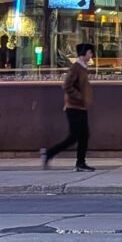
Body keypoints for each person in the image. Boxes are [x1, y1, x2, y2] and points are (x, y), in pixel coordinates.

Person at [40, 43, 95, 172]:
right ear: (84, 53)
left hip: (81, 107)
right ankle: (49, 153)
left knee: (83, 136)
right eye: (90, 52)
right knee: (75, 137)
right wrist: (80, 97)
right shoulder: (76, 68)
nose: (91, 55)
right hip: (74, 107)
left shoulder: (83, 68)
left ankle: (80, 163)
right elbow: (66, 85)